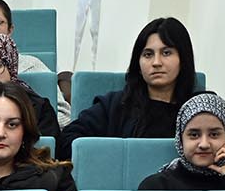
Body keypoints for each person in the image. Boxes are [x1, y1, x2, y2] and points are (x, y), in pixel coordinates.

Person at [63, 16, 198, 147]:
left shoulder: (199, 109)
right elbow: (68, 140)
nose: (156, 62)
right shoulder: (114, 105)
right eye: (148, 54)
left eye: (166, 53)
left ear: (183, 59)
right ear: (138, 63)